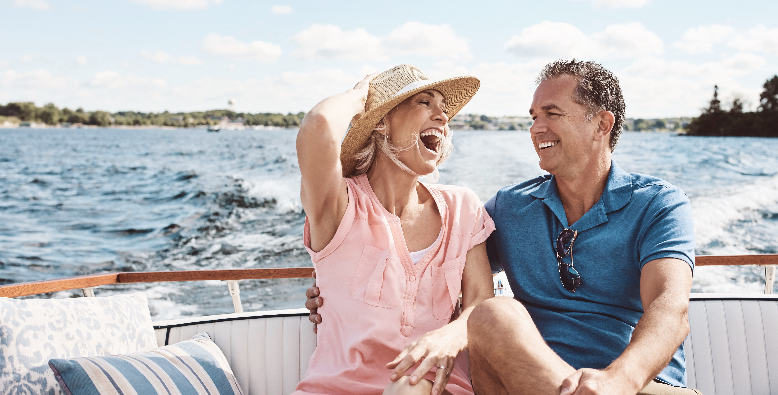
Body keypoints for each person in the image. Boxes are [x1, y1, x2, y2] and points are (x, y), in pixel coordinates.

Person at [468, 60, 699, 395]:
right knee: (492, 315)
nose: (536, 128)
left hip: (640, 386)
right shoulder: (509, 206)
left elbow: (670, 306)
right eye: (534, 117)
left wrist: (619, 380)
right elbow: (441, 267)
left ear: (602, 124)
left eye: (552, 114)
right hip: (530, 380)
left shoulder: (659, 204)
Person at [294, 64, 495, 395]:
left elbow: (482, 304)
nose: (443, 118)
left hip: (433, 386)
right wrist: (359, 98)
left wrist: (453, 334)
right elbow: (319, 126)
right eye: (423, 103)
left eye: (444, 110)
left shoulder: (463, 207)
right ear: (383, 122)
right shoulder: (339, 205)